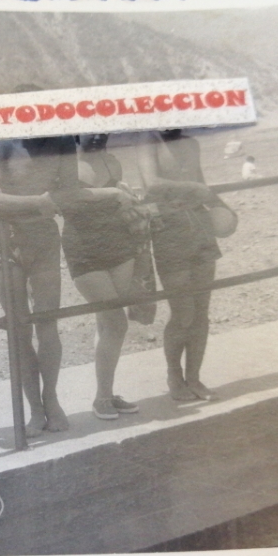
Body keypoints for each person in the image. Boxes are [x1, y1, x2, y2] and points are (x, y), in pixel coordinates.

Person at [0, 134, 75, 435]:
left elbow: (70, 190)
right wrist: (40, 201)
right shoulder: (4, 143)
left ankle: (51, 398)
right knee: (19, 329)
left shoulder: (62, 143)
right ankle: (34, 408)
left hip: (44, 239)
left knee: (48, 324)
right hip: (3, 242)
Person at [137, 129, 223, 401]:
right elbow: (152, 184)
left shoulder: (191, 143)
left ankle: (194, 378)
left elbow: (203, 187)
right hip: (169, 232)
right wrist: (194, 190)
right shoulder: (148, 141)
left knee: (201, 311)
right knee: (183, 311)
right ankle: (174, 375)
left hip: (200, 229)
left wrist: (224, 209)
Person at [60, 133, 143, 420]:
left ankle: (105, 391)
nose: (95, 136)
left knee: (106, 324)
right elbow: (69, 200)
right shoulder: (65, 164)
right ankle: (102, 397)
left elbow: (118, 202)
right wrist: (114, 193)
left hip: (119, 245)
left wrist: (126, 194)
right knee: (116, 322)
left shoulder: (111, 163)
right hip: (83, 251)